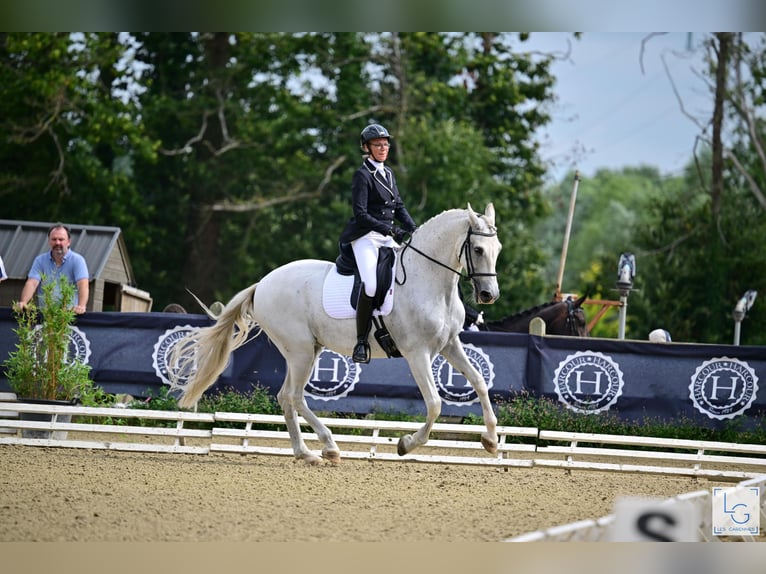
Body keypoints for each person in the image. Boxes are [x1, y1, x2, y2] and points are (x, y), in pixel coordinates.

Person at [339, 123, 417, 363]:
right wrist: (390, 229)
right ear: (366, 147)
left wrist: (415, 229)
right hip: (365, 237)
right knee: (371, 285)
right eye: (377, 145)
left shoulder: (388, 173)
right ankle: (361, 341)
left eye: (385, 144)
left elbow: (399, 206)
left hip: (385, 236)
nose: (383, 148)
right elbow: (361, 213)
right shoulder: (362, 175)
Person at [16, 223, 90, 314]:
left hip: (68, 317)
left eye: (61, 239)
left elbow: (83, 285)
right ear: (49, 241)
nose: (57, 242)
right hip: (46, 315)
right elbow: (32, 283)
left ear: (69, 242)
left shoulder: (78, 260)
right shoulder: (40, 260)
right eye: (54, 239)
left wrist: (81, 306)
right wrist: (24, 302)